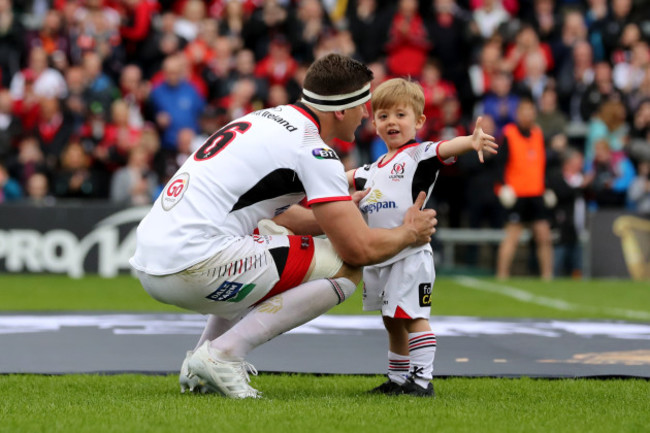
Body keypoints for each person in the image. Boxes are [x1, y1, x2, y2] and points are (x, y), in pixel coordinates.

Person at [129, 54, 438, 399]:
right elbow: (358, 249)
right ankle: (223, 354)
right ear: (340, 110)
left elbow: (278, 216)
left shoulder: (266, 118)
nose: (367, 114)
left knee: (270, 237)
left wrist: (336, 213)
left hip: (152, 259)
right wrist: (410, 232)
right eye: (363, 104)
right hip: (194, 264)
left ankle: (202, 361)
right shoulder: (313, 149)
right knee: (346, 266)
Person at [347, 78, 497, 396]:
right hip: (379, 254)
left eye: (401, 115)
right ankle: (398, 378)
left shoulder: (419, 155)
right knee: (391, 319)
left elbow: (445, 148)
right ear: (373, 122)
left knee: (412, 316)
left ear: (419, 121)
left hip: (410, 254)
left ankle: (422, 379)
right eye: (384, 115)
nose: (391, 122)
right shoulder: (371, 169)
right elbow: (338, 179)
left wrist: (470, 141)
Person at [495, 97, 554, 280]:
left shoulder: (538, 134)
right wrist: (502, 188)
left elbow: (542, 164)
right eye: (524, 111)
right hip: (516, 194)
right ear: (517, 114)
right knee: (512, 237)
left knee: (544, 236)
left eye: (531, 110)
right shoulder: (508, 133)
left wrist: (546, 188)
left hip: (536, 193)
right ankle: (502, 275)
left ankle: (547, 276)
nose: (528, 115)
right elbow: (499, 164)